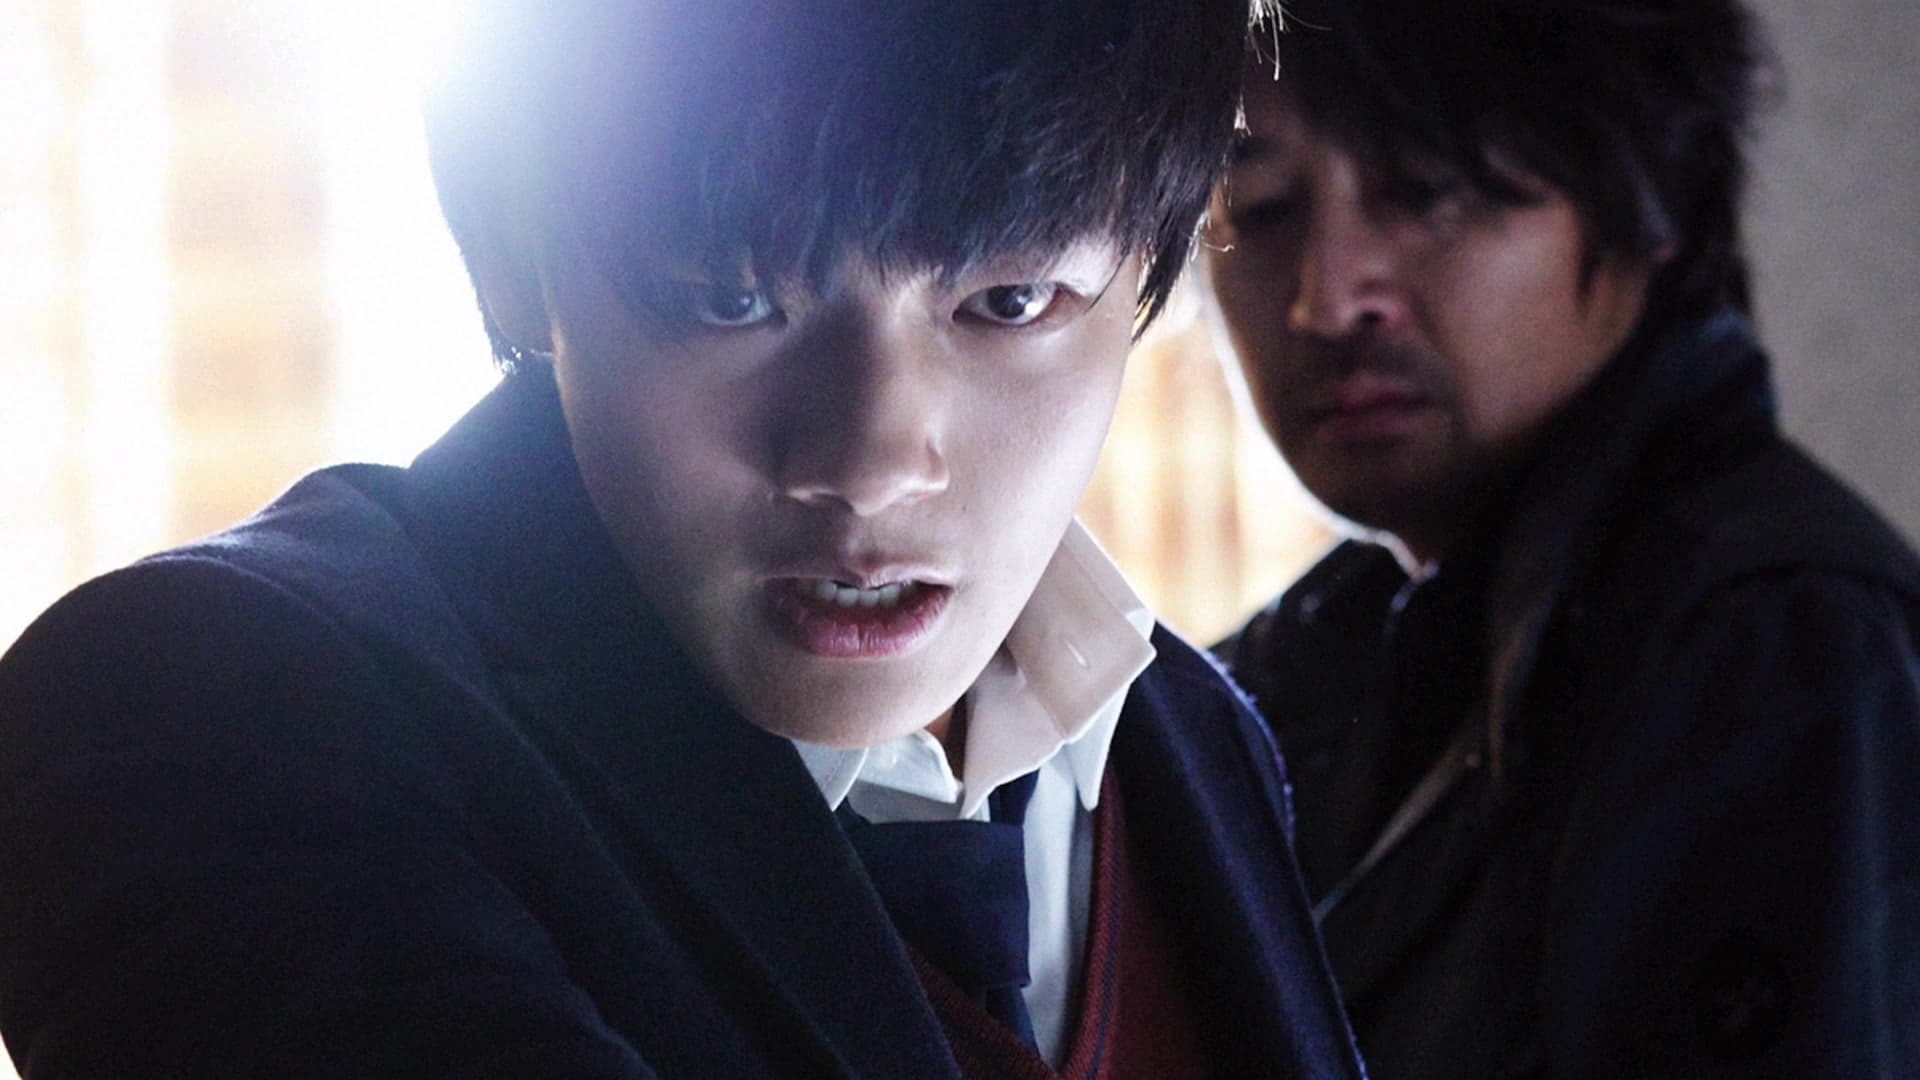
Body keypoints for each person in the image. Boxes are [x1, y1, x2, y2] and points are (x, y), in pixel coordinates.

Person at [0, 2, 1366, 1076]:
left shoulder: (1191, 738)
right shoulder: (190, 711)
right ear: (519, 265)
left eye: (1009, 302)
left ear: (1153, 269)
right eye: (731, 299)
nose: (872, 464)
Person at [1203, 1, 1920, 1076]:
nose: (1327, 298)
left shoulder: (1769, 645)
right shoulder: (1293, 667)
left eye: (1425, 189)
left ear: (1647, 198)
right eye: (1258, 210)